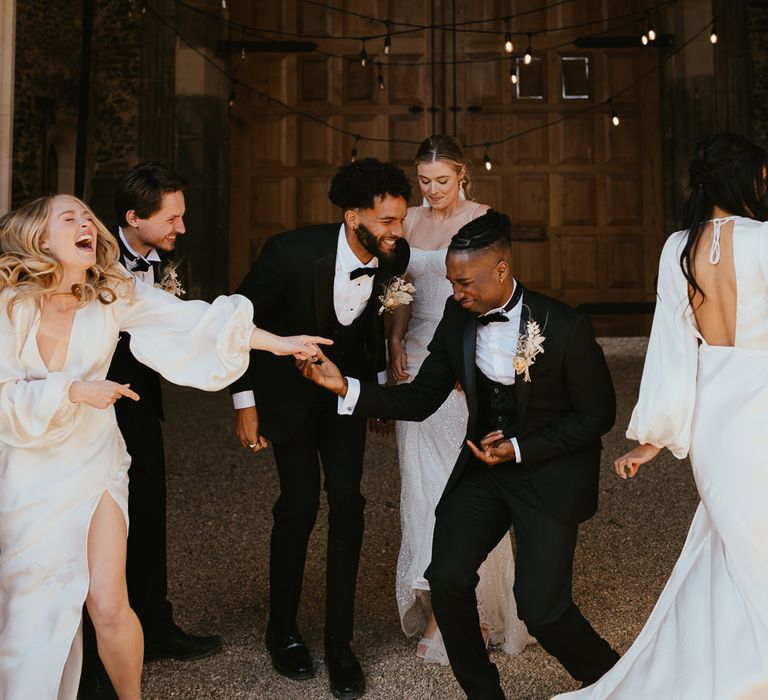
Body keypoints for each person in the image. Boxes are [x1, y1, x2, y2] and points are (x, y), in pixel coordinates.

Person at [0, 194, 328, 700]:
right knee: (29, 603)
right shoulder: (8, 303)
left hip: (93, 458)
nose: (86, 223)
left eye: (88, 216)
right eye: (70, 218)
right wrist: (71, 390)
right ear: (42, 239)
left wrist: (279, 343)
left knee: (108, 604)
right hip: (26, 467)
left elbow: (193, 321)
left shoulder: (112, 292)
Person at [299, 210, 620, 699]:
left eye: (464, 283)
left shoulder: (567, 326)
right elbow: (422, 397)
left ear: (501, 270)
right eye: (450, 282)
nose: (455, 294)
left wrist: (518, 447)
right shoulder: (458, 315)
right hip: (485, 474)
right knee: (445, 576)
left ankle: (619, 680)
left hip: (546, 474)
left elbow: (597, 416)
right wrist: (346, 385)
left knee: (542, 609)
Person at [553, 133, 768, 698]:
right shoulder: (765, 240)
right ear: (745, 180)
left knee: (733, 537)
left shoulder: (678, 248)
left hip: (717, 414)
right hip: (761, 396)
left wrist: (652, 437)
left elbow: (673, 349)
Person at [230, 158, 411, 699]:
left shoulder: (390, 256)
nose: (397, 232)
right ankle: (280, 629)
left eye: (401, 220)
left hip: (344, 393)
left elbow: (375, 325)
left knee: (349, 503)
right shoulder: (288, 251)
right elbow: (239, 322)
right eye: (387, 221)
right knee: (300, 503)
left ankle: (340, 640)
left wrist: (376, 391)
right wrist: (245, 402)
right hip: (284, 396)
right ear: (353, 215)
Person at [78, 162, 222, 699]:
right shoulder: (88, 260)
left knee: (149, 511)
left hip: (142, 407)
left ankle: (155, 627)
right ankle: (94, 645)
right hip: (92, 408)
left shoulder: (161, 258)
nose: (181, 229)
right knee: (97, 528)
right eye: (172, 218)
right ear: (133, 217)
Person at [388, 135, 529, 663]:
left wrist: (469, 367)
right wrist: (395, 339)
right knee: (421, 492)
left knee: (464, 491)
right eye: (423, 181)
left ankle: (460, 612)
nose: (432, 191)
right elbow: (401, 287)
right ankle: (442, 605)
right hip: (417, 359)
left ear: (463, 174)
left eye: (442, 181)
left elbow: (492, 293)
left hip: (463, 362)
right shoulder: (408, 221)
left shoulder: (483, 218)